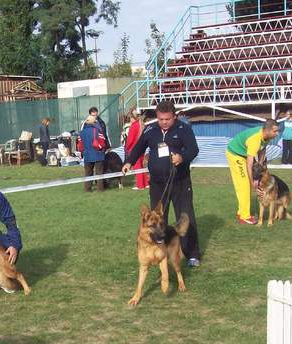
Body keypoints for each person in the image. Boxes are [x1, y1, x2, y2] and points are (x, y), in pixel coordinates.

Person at [123, 100, 202, 267]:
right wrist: (129, 161)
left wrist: (182, 157)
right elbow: (138, 147)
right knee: (158, 220)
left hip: (180, 182)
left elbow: (193, 149)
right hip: (158, 184)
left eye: (167, 119)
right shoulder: (151, 129)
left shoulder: (183, 129)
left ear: (174, 116)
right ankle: (161, 252)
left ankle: (192, 254)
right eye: (160, 119)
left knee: (186, 216)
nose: (164, 122)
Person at [225, 119, 280, 225]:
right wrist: (253, 183)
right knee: (244, 185)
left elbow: (262, 150)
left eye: (278, 131)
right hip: (235, 154)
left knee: (246, 185)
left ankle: (241, 212)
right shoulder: (255, 140)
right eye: (275, 131)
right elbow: (250, 163)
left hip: (243, 154)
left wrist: (260, 165)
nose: (277, 134)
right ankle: (245, 217)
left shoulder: (267, 136)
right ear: (267, 130)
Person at [124, 109, 149, 191]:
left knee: (137, 167)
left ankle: (140, 185)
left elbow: (130, 140)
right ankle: (146, 183)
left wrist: (127, 147)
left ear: (132, 117)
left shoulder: (134, 126)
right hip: (142, 148)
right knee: (142, 166)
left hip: (134, 148)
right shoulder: (141, 124)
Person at [80, 115, 106, 192]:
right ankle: (100, 189)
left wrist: (83, 152)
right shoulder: (98, 131)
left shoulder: (82, 133)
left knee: (88, 173)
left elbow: (80, 146)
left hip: (87, 155)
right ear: (94, 123)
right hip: (98, 154)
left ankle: (87, 189)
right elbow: (103, 143)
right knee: (99, 173)